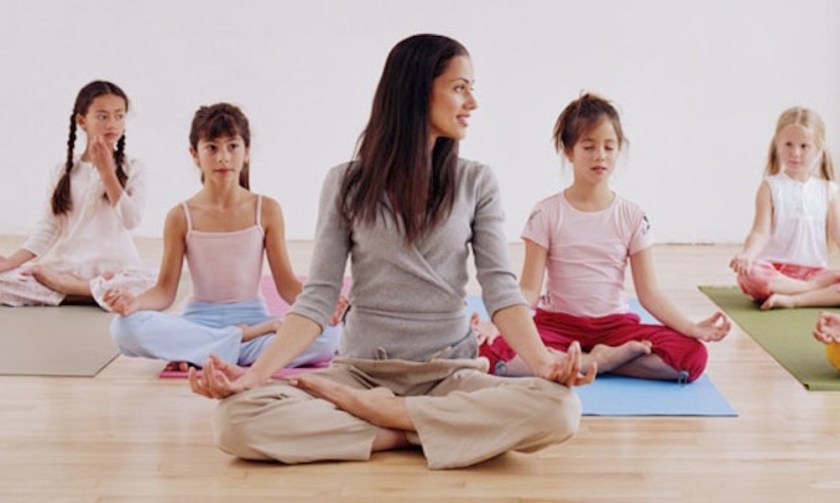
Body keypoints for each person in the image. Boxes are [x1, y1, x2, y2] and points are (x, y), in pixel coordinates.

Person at [189, 34, 594, 470]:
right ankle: (420, 432)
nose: (472, 102)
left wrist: (543, 365)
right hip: (361, 373)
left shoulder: (477, 182)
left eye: (472, 88)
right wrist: (253, 376)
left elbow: (501, 290)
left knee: (560, 409)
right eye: (460, 87)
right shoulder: (345, 183)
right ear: (418, 91)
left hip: (448, 375)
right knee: (234, 421)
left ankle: (392, 421)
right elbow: (318, 297)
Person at [475, 93, 730, 383]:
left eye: (609, 147)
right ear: (568, 151)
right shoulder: (546, 213)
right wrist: (499, 325)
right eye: (589, 146)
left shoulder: (632, 216)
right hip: (556, 325)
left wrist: (691, 327)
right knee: (487, 350)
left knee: (693, 356)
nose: (600, 155)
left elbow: (649, 294)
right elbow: (529, 290)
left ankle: (581, 362)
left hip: (615, 329)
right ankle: (599, 362)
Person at [104, 103, 340, 371]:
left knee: (330, 337)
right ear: (195, 154)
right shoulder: (180, 216)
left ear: (247, 152)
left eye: (232, 146)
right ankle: (232, 343)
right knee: (124, 327)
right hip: (199, 322)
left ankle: (204, 353)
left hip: (256, 322)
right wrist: (134, 303)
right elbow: (164, 292)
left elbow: (286, 286)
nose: (223, 157)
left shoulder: (267, 210)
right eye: (212, 148)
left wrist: (323, 308)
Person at [0, 80, 154, 308]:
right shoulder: (61, 171)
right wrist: (11, 262)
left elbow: (132, 221)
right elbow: (48, 228)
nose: (112, 124)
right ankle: (90, 292)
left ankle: (70, 291)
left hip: (116, 270)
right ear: (82, 121)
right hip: (69, 268)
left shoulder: (134, 167)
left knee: (153, 282)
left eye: (119, 116)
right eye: (102, 116)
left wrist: (107, 172)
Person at [730, 107, 840, 310]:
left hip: (815, 272)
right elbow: (759, 232)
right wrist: (748, 255)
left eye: (804, 146)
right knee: (751, 275)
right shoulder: (770, 186)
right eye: (788, 144)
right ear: (777, 145)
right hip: (776, 273)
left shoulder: (828, 191)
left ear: (818, 148)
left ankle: (793, 299)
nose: (795, 153)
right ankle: (811, 289)